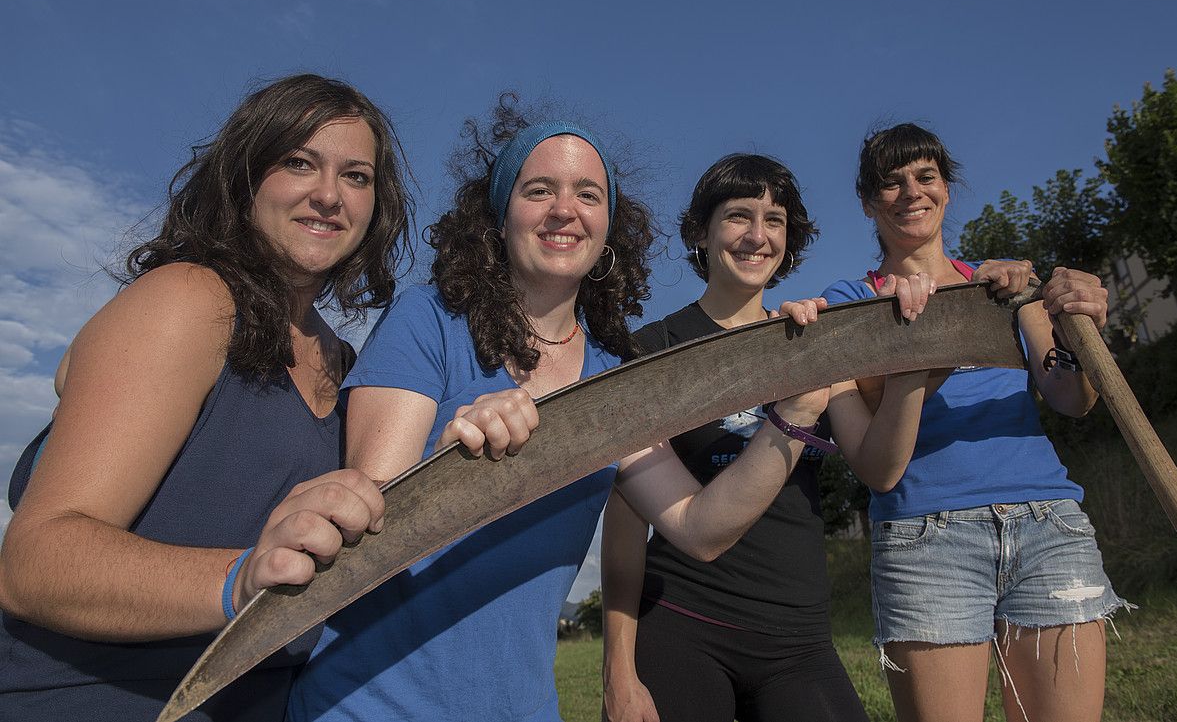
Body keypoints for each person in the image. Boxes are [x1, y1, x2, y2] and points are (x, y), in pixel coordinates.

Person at [286, 102, 833, 722]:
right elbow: (368, 522)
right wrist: (450, 451)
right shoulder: (429, 320)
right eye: (539, 189)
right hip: (373, 704)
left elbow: (701, 527)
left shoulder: (612, 376)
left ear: (607, 230)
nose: (564, 210)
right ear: (498, 216)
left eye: (588, 195)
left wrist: (795, 413)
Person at [0, 74, 410, 722]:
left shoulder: (349, 364)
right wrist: (242, 578)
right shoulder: (187, 299)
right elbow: (35, 562)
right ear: (245, 178)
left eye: (356, 176)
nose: (329, 195)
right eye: (298, 162)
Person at [820, 122, 1128, 722]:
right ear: (866, 201)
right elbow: (876, 447)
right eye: (890, 183)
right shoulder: (852, 300)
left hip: (1047, 525)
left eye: (925, 177)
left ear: (947, 189)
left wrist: (1073, 325)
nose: (911, 192)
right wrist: (929, 340)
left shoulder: (1005, 288)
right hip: (926, 537)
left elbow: (1071, 396)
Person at [600, 154, 869, 722]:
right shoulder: (652, 349)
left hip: (797, 630)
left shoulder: (809, 338)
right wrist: (618, 674)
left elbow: (881, 466)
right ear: (702, 230)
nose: (756, 236)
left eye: (774, 220)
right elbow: (625, 520)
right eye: (738, 216)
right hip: (682, 621)